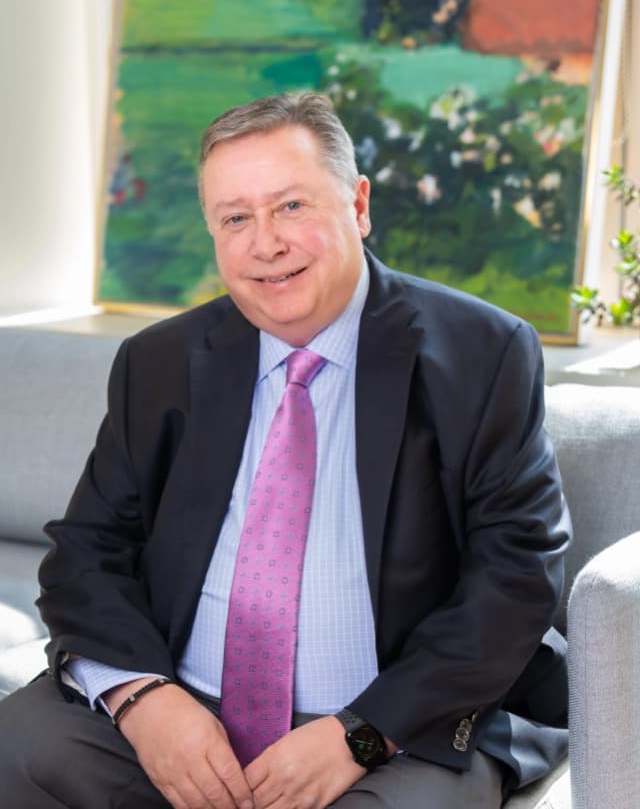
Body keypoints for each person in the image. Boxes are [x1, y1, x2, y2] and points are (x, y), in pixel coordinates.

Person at [0, 92, 571, 809]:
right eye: (236, 218)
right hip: (186, 711)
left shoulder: (484, 353)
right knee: (17, 747)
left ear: (358, 205)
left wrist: (359, 736)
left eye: (291, 206)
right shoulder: (159, 362)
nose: (265, 244)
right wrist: (144, 702)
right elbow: (85, 554)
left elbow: (516, 577)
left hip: (398, 727)